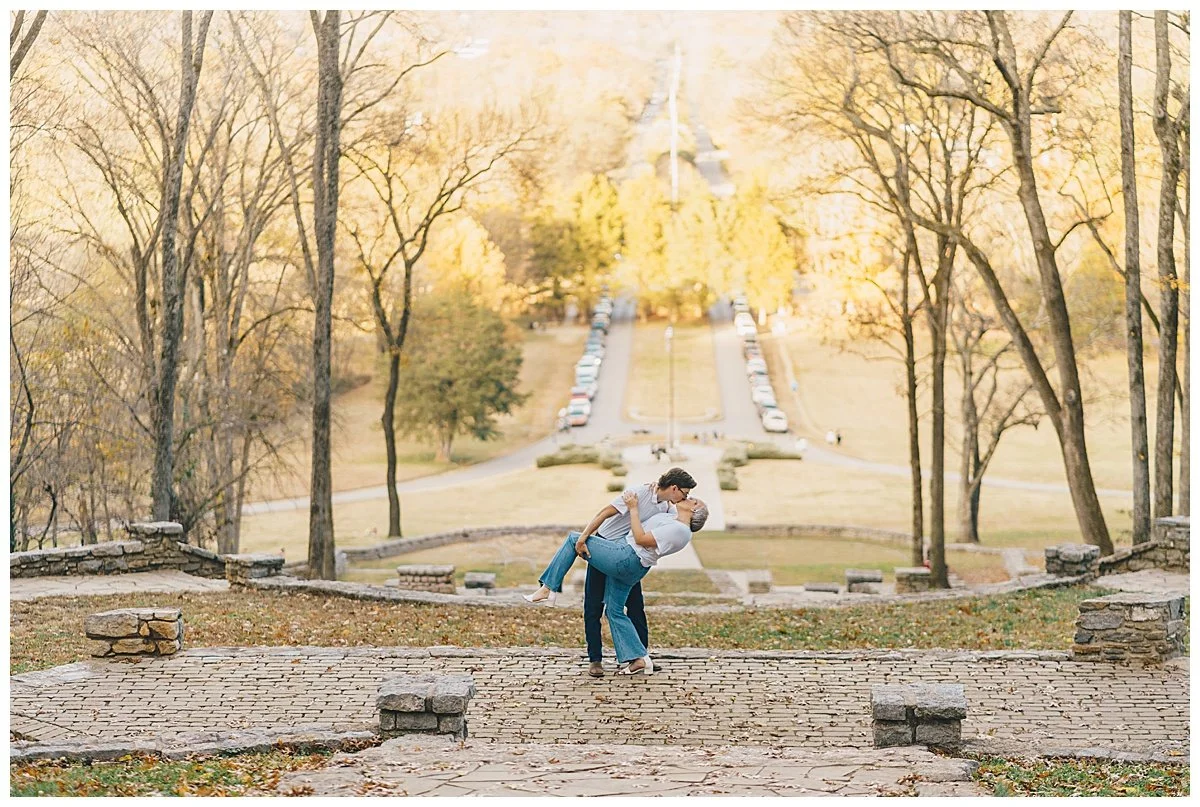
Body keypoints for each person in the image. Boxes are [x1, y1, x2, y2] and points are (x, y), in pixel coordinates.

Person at [525, 492, 709, 676]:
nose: (689, 496)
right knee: (614, 611)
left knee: (575, 539)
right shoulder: (672, 518)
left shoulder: (681, 531)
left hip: (625, 557)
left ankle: (548, 588)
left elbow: (640, 539)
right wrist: (659, 490)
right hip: (632, 565)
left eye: (693, 499)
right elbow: (665, 496)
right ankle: (638, 659)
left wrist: (633, 508)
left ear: (694, 509)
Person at [570, 468, 696, 677]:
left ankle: (640, 656)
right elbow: (603, 513)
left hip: (626, 556)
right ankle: (595, 660)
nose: (686, 497)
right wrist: (584, 537)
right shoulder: (638, 493)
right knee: (593, 605)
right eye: (685, 492)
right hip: (604, 548)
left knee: (635, 606)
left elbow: (670, 529)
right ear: (674, 488)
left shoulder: (668, 507)